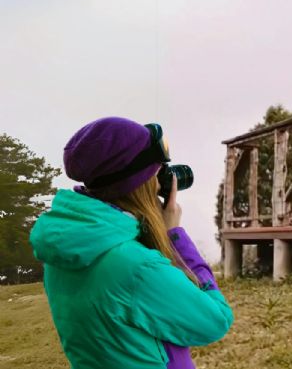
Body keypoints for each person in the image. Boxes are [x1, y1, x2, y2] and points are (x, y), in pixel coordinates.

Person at [29, 117, 233, 369]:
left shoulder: (63, 250)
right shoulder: (137, 267)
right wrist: (175, 237)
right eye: (158, 174)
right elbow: (215, 322)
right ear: (142, 184)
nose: (162, 182)